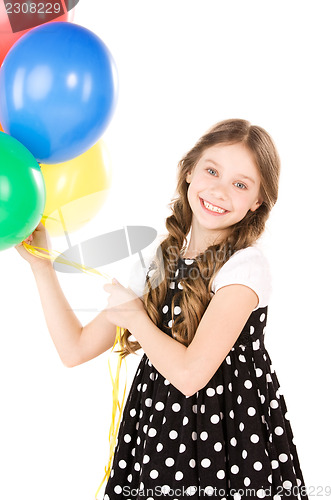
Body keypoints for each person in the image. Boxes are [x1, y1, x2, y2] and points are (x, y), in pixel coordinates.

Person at [16, 119, 308, 499]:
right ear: (189, 171)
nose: (219, 190)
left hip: (231, 439)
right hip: (163, 434)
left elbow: (190, 375)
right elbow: (75, 348)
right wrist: (42, 266)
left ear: (256, 202)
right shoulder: (160, 260)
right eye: (211, 170)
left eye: (240, 184)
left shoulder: (245, 267)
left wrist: (135, 316)